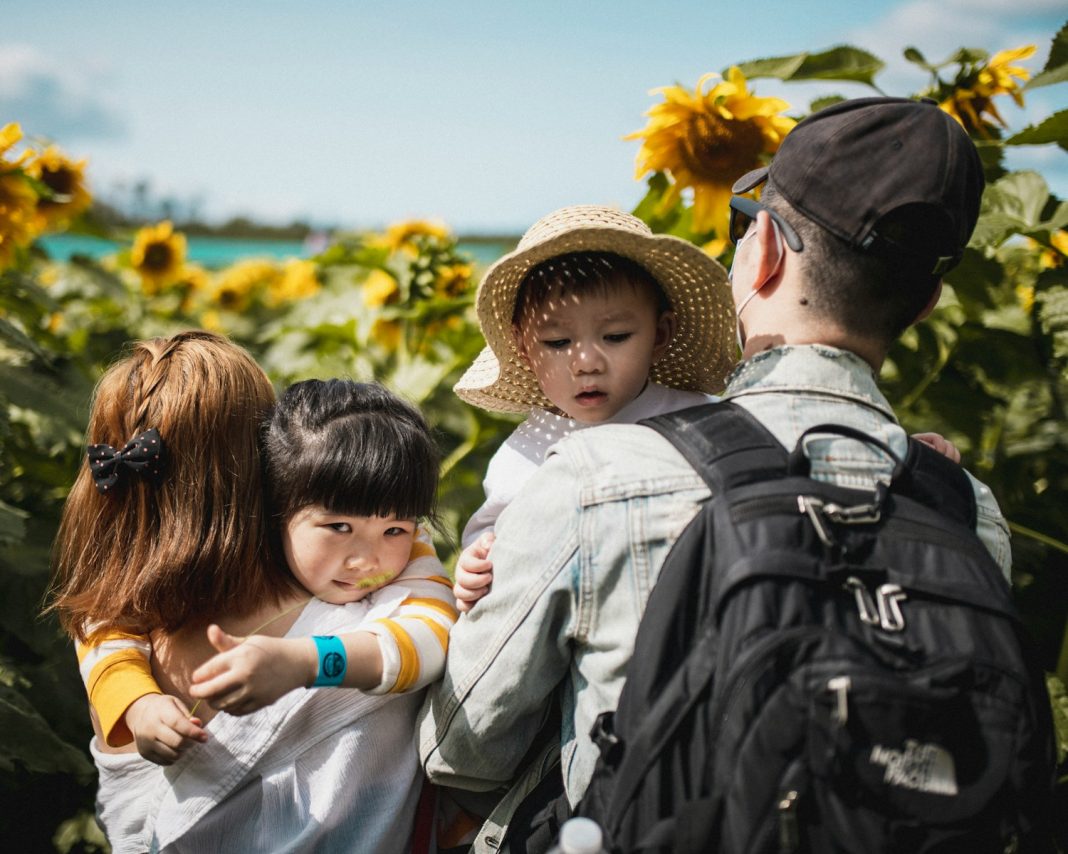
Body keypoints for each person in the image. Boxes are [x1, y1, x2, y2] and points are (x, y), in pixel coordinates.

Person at [417, 98, 1012, 847]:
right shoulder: (963, 504)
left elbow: (462, 747)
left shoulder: (597, 471)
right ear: (927, 301)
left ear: (762, 252)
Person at [50, 332, 453, 852]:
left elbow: (430, 630)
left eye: (396, 528)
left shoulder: (382, 545)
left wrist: (306, 661)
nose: (369, 557)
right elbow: (102, 626)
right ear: (258, 466)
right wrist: (138, 705)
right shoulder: (357, 558)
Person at [450, 205, 961, 614]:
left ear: (662, 334)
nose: (586, 362)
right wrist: (475, 561)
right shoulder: (527, 451)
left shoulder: (700, 416)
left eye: (616, 336)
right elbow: (491, 535)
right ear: (523, 348)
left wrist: (898, 458)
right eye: (558, 342)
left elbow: (791, 450)